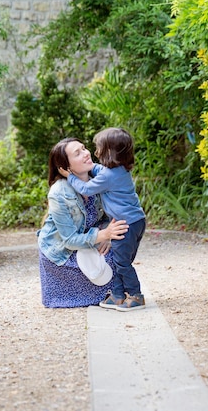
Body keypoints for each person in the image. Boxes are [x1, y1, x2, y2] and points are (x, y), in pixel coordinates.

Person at [59, 127, 146, 311]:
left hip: (125, 224)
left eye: (99, 148)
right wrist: (91, 167)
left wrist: (70, 176)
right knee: (118, 260)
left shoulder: (107, 176)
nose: (95, 152)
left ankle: (136, 295)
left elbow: (86, 189)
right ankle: (118, 295)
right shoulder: (120, 170)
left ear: (109, 152)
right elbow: (98, 169)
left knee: (122, 263)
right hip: (136, 221)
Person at [37, 138, 129, 308]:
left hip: (90, 241)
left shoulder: (100, 178)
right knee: (109, 273)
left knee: (120, 251)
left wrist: (107, 236)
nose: (86, 154)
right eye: (77, 153)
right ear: (66, 168)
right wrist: (104, 234)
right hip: (64, 252)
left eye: (84, 148)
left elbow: (108, 217)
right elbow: (70, 240)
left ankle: (116, 292)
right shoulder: (58, 193)